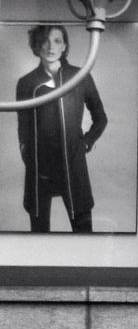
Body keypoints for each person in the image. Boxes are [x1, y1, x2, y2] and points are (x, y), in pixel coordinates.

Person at [16, 25, 107, 233]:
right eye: (45, 41)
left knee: (83, 235)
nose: (51, 47)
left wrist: (85, 143)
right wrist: (25, 151)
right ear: (37, 45)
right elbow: (23, 125)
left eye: (57, 41)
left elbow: (101, 118)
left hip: (72, 166)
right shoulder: (26, 83)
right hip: (39, 171)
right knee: (39, 239)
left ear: (64, 46)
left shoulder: (80, 76)